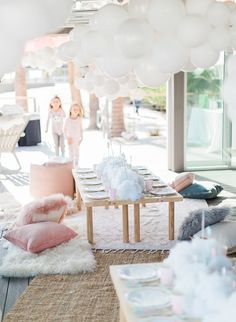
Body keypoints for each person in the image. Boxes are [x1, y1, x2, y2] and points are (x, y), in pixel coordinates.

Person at [64, 102, 83, 166]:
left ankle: (77, 164)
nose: (75, 111)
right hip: (70, 138)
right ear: (70, 110)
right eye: (74, 109)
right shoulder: (67, 120)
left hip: (77, 138)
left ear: (79, 111)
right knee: (71, 151)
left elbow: (81, 129)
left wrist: (81, 138)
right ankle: (71, 164)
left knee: (77, 151)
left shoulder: (79, 119)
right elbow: (64, 130)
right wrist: (67, 138)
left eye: (77, 109)